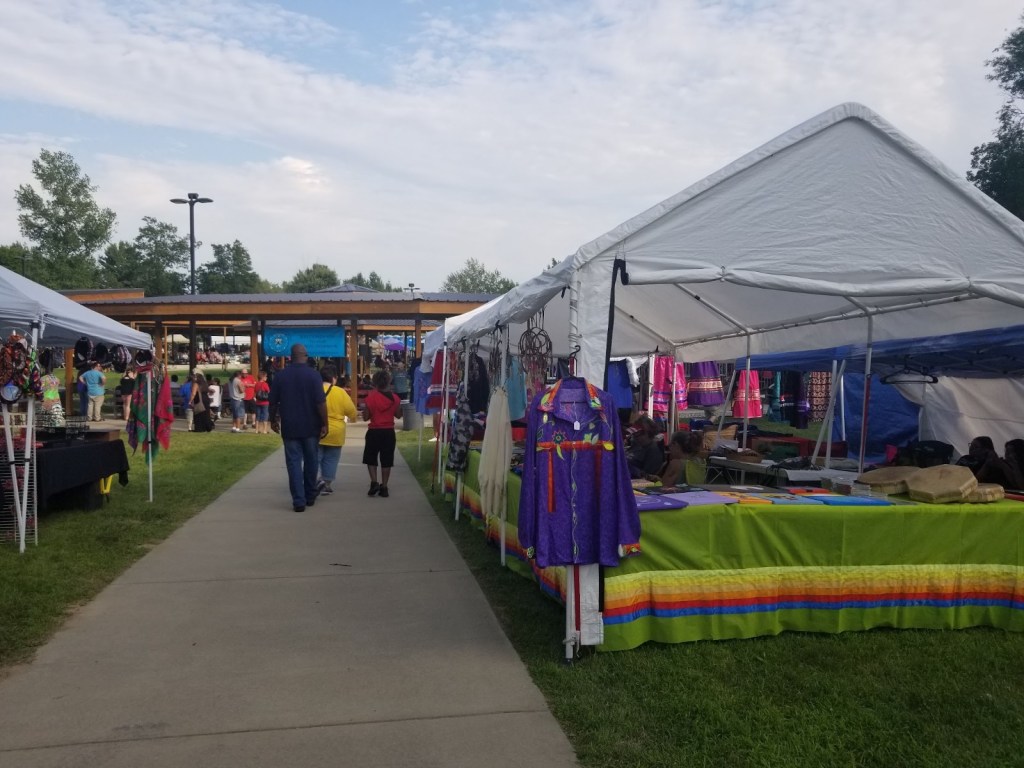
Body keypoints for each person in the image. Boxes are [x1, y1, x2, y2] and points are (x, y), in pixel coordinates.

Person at [269, 344, 328, 512]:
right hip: (311, 426)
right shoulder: (314, 375)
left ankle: (298, 501)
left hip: (290, 427)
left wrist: (272, 420)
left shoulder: (281, 376)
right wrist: (325, 423)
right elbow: (321, 403)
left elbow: (273, 402)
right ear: (306, 356)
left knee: (293, 463)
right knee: (311, 461)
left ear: (290, 356)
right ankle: (310, 496)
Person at [317, 365, 358, 495]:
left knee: (315, 458)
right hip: (336, 431)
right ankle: (327, 483)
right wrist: (353, 419)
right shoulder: (340, 392)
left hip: (317, 429)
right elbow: (351, 411)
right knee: (331, 458)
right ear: (334, 378)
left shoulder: (314, 390)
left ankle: (314, 480)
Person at [362, 369, 401, 498]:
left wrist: (367, 411)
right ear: (388, 382)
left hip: (374, 431)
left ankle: (374, 482)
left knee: (371, 457)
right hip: (388, 432)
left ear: (375, 382)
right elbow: (399, 415)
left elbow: (366, 417)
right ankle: (384, 487)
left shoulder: (370, 397)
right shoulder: (395, 398)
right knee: (386, 460)